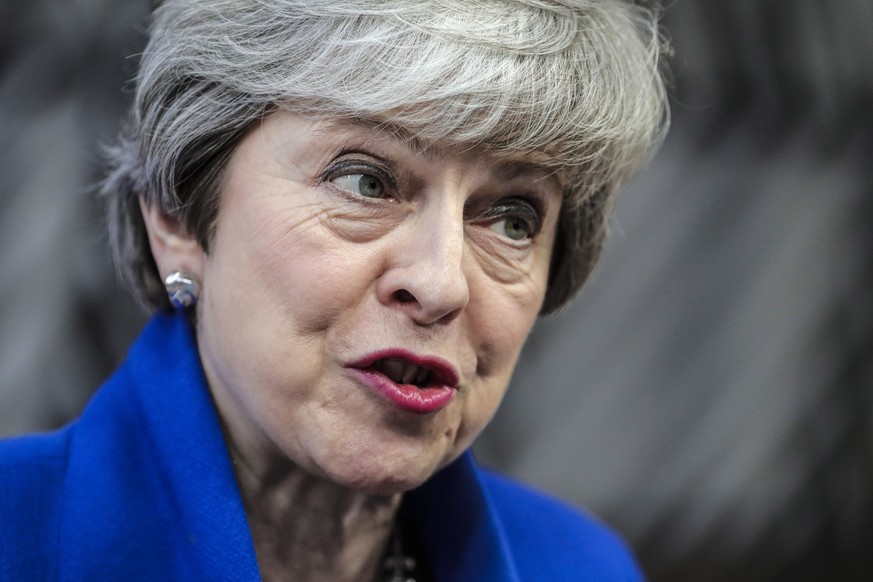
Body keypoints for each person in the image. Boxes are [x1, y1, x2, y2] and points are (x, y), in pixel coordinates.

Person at [0, 0, 668, 580]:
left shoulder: (579, 565)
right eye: (366, 182)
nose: (439, 283)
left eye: (511, 219)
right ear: (177, 217)